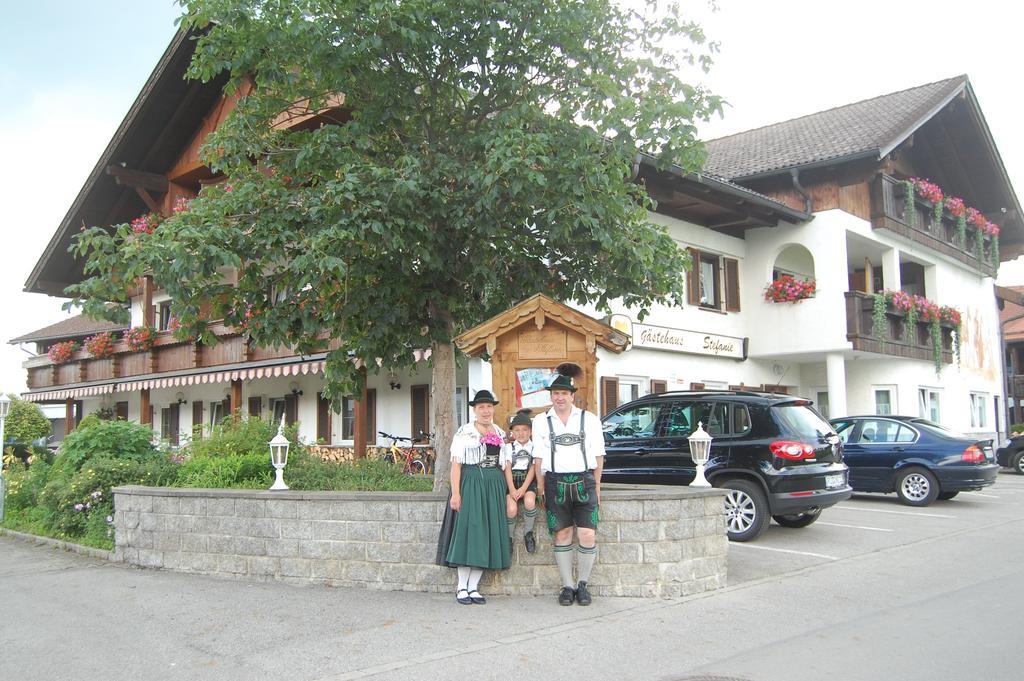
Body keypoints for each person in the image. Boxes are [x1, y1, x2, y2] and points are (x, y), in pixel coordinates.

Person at [532, 363, 605, 606]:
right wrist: (541, 487)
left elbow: (598, 456)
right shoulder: (541, 421)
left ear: (572, 395)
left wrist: (597, 486)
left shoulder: (589, 419)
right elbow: (539, 457)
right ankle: (567, 586)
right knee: (562, 534)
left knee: (587, 534)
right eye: (556, 393)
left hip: (584, 480)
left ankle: (583, 584)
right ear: (551, 396)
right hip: (555, 482)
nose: (560, 397)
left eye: (564, 393)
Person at [444, 389, 512, 604]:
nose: (486, 410)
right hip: (472, 482)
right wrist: (456, 493)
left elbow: (506, 465)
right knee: (470, 531)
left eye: (489, 406)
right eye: (481, 407)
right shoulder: (464, 432)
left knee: (488, 532)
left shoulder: (500, 433)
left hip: (494, 485)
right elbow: (456, 464)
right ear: (474, 409)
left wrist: (510, 492)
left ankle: (474, 587)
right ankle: (461, 587)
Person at [501, 409, 539, 554]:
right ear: (512, 432)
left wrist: (523, 489)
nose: (521, 433)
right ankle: (509, 537)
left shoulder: (535, 447)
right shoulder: (509, 447)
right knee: (511, 509)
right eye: (516, 430)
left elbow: (533, 469)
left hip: (528, 481)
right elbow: (507, 469)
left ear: (530, 431)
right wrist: (511, 489)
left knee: (529, 502)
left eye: (524, 430)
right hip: (512, 481)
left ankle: (528, 533)